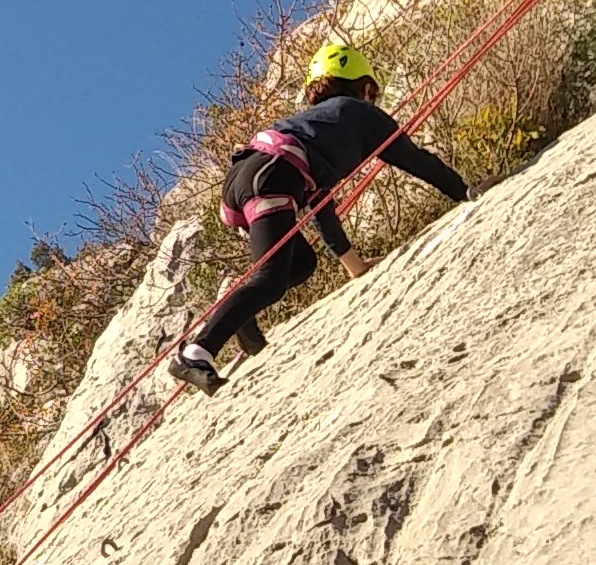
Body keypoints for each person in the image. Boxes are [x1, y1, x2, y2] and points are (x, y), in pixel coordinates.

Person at [171, 40, 467, 394]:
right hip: (272, 176)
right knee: (271, 278)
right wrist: (464, 191)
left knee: (300, 265)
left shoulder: (315, 129)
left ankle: (241, 316)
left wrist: (354, 265)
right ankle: (195, 353)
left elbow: (319, 204)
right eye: (373, 94)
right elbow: (413, 159)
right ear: (365, 88)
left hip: (250, 176)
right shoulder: (359, 113)